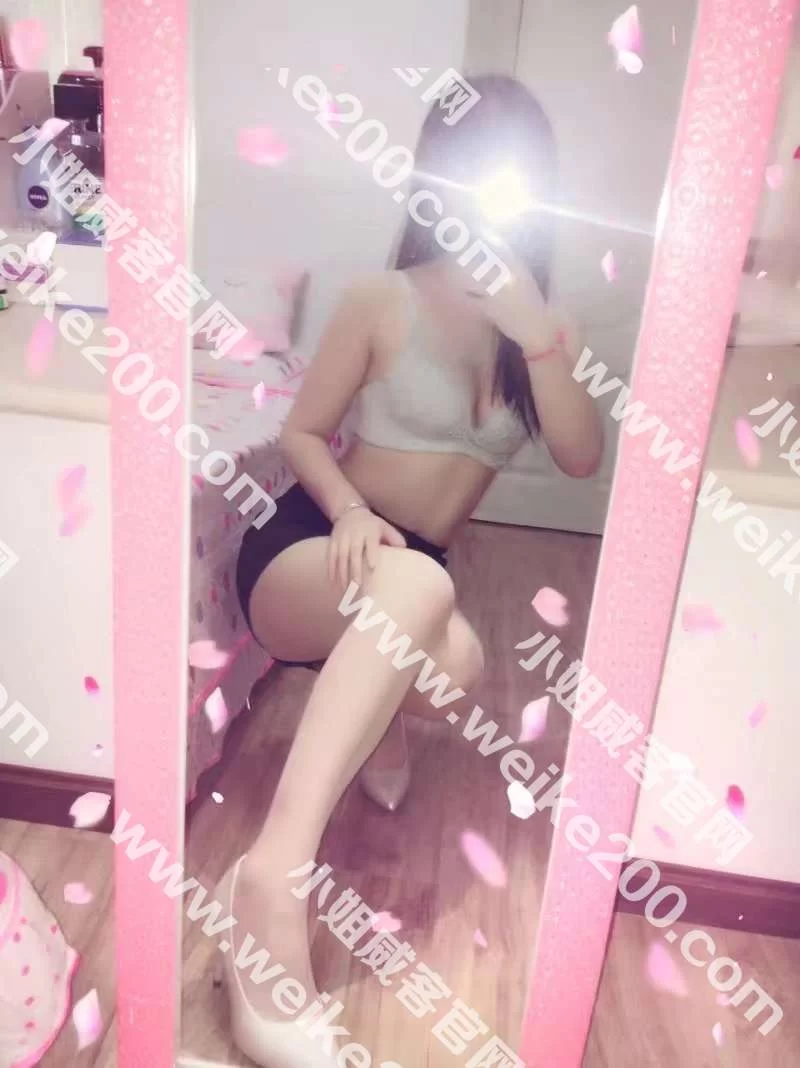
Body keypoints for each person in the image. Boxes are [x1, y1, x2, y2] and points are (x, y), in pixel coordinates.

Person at [217, 74, 604, 1066]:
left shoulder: (544, 327)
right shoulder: (380, 299)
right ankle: (268, 879)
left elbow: (580, 457)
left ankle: (373, 712)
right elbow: (302, 433)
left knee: (458, 665)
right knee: (423, 590)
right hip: (315, 543)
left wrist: (537, 337)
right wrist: (349, 510)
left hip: (409, 575)